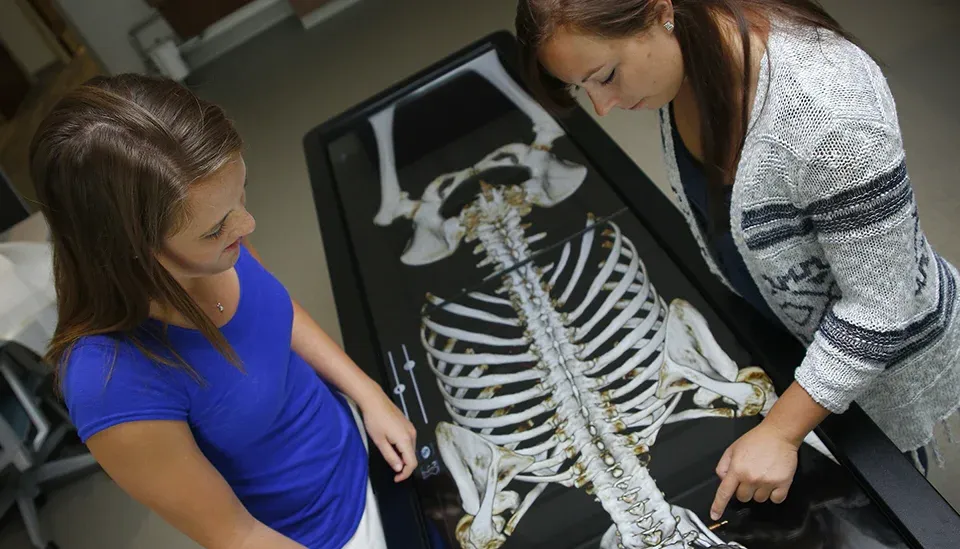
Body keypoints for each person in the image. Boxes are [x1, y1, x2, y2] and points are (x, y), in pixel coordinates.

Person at [516, 0, 959, 524]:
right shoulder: (690, 60)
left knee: (889, 506)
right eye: (581, 87)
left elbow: (885, 307)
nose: (603, 106)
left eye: (606, 76)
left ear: (660, 12)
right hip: (789, 336)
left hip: (882, 371)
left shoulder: (827, 114)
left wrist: (781, 431)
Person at [29, 74, 417, 549]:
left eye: (242, 194)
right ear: (132, 249)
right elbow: (235, 535)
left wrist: (367, 393)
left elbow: (274, 312)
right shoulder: (109, 383)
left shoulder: (219, 234)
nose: (247, 224)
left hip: (361, 448)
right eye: (215, 229)